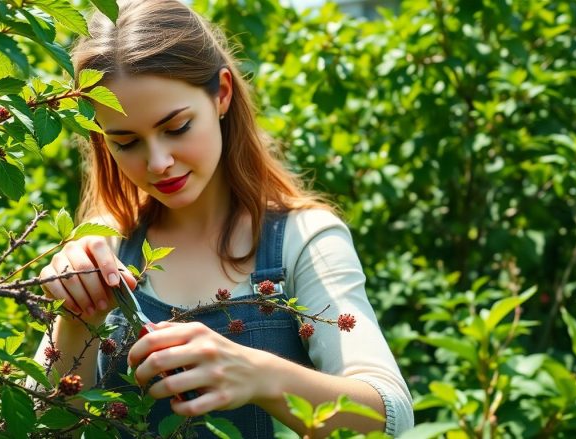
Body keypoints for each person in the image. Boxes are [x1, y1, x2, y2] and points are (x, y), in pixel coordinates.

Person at [33, 0, 414, 437]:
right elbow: (29, 427)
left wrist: (261, 377)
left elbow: (392, 414)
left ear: (223, 94)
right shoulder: (106, 247)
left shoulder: (301, 239)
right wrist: (75, 317)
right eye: (125, 142)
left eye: (176, 128)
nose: (158, 162)